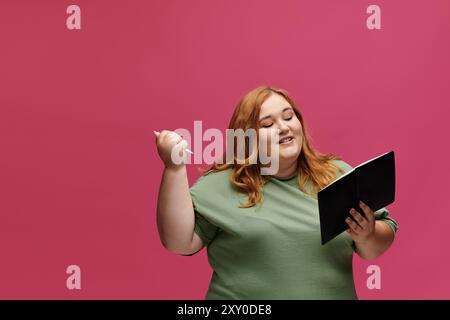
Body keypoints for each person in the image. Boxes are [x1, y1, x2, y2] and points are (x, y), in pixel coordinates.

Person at [154, 86, 398, 299]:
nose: (283, 128)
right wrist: (174, 168)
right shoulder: (221, 185)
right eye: (268, 124)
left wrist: (367, 235)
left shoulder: (336, 176)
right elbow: (179, 242)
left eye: (289, 117)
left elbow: (376, 246)